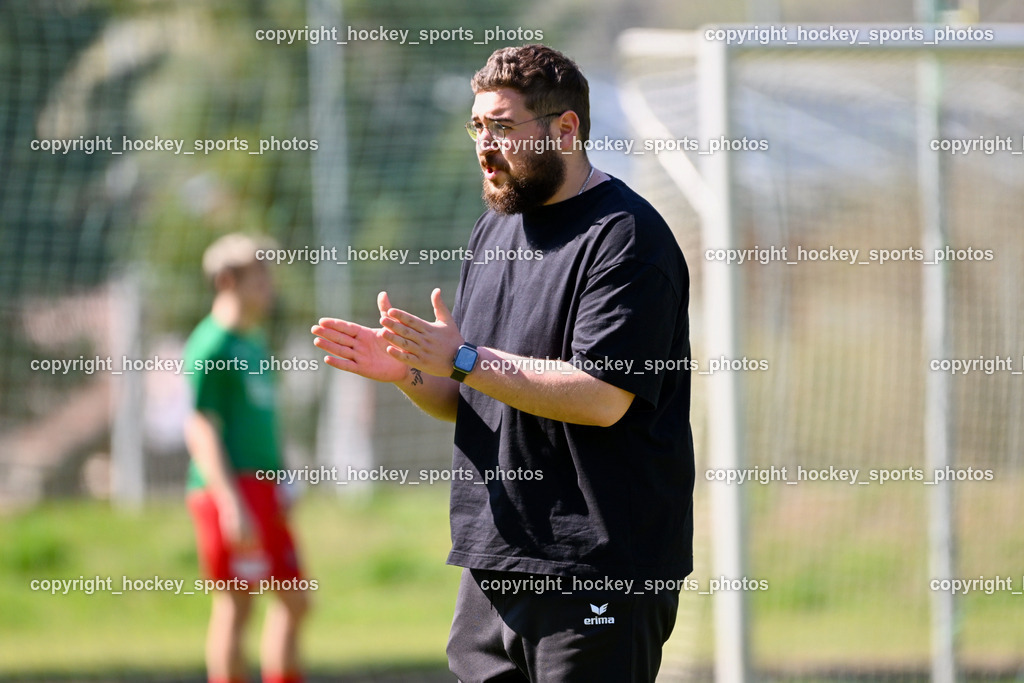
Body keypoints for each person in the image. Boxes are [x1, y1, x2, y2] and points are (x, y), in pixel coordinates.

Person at [312, 44, 693, 682]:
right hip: (494, 565)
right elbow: (471, 395)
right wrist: (410, 371)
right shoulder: (491, 234)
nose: (485, 146)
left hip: (598, 570)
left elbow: (601, 396)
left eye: (504, 127)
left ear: (565, 129)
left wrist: (459, 357)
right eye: (478, 127)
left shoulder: (625, 238)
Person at [184, 233, 310, 683]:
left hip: (265, 489)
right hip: (231, 490)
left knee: (296, 600)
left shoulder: (253, 341)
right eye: (259, 281)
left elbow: (263, 423)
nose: (269, 290)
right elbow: (201, 429)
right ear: (226, 281)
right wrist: (230, 504)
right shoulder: (210, 346)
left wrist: (283, 480)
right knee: (236, 605)